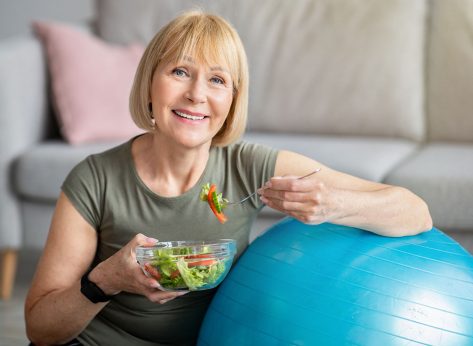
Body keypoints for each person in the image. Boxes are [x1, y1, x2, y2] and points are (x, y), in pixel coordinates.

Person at [24, 10, 432, 346]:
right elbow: (40, 329)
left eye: (217, 80)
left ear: (233, 100)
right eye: (180, 72)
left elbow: (414, 212)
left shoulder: (248, 167)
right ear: (150, 83)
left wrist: (333, 204)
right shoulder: (94, 178)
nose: (197, 95)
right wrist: (106, 280)